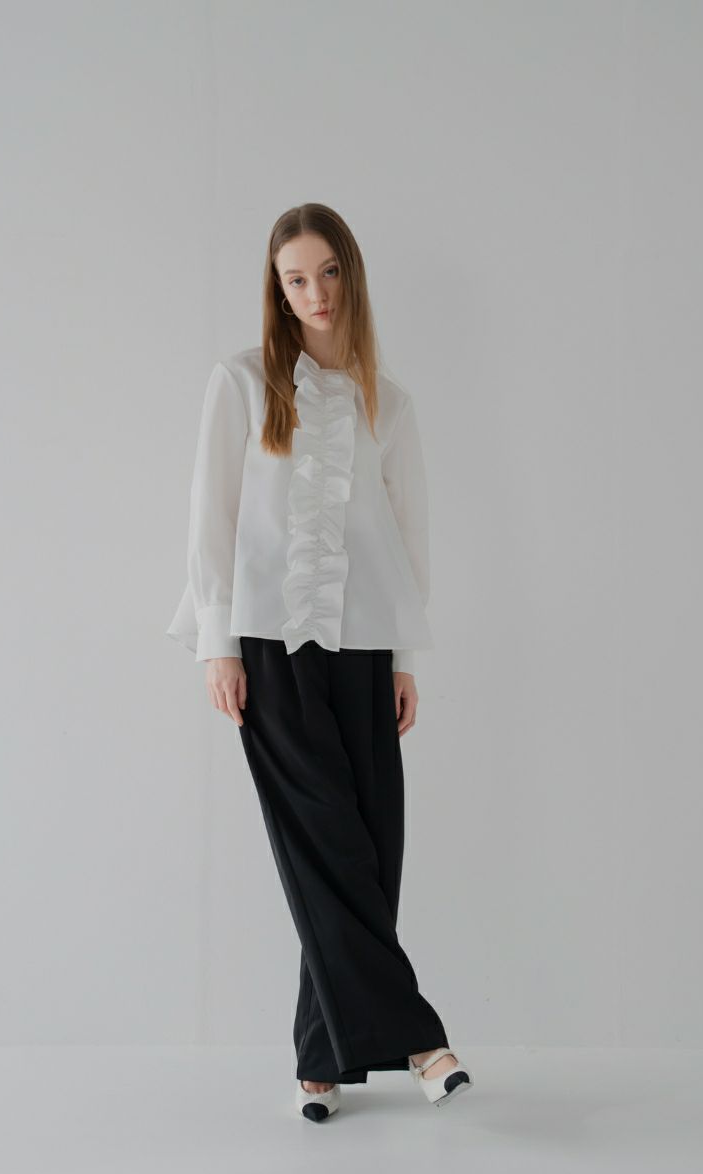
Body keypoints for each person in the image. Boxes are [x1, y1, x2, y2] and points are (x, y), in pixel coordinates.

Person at [166, 202, 473, 1120]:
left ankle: (319, 1056)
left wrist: (405, 658)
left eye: (329, 272)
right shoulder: (242, 382)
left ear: (351, 275)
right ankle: (421, 1040)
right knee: (323, 843)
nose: (316, 293)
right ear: (277, 287)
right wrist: (218, 644)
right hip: (268, 644)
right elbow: (212, 516)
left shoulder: (391, 402)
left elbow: (409, 535)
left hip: (366, 646)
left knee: (367, 849)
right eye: (296, 278)